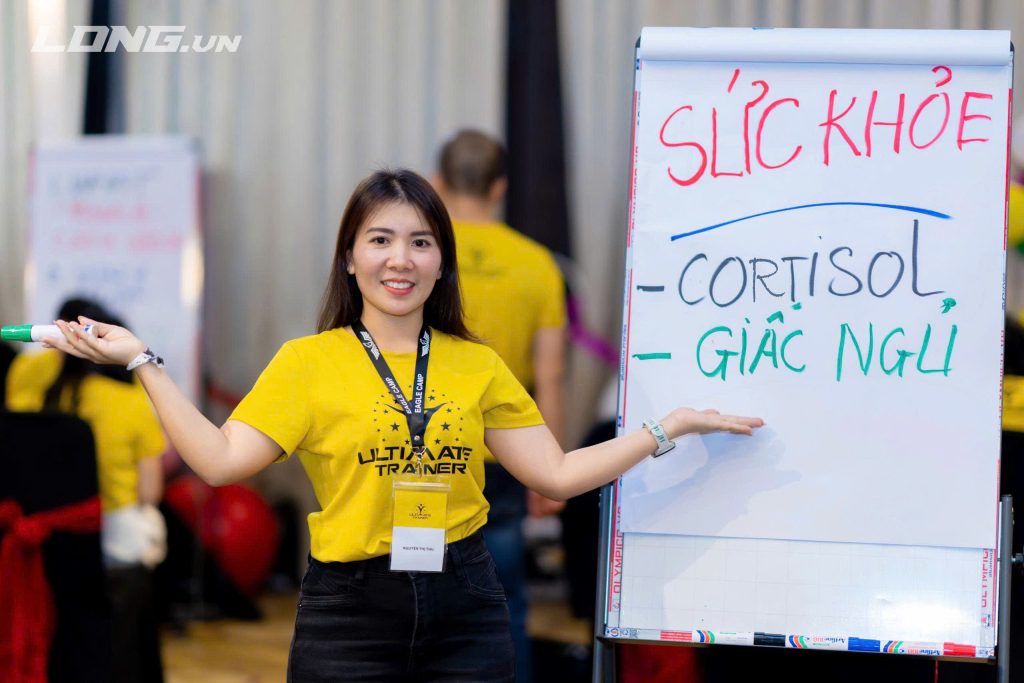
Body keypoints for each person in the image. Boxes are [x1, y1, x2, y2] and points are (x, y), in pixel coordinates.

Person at [43, 169, 763, 683]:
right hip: (348, 611)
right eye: (380, 239)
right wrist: (142, 361)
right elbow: (219, 460)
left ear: (442, 261)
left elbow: (556, 472)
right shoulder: (308, 363)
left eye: (420, 242)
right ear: (349, 257)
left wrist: (665, 428)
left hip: (466, 604)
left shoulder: (475, 364)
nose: (400, 259)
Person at [435, 129, 567, 682]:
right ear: (499, 187)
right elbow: (551, 378)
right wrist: (551, 470)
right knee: (504, 602)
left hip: (424, 452)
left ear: (437, 182)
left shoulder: (419, 256)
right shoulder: (538, 264)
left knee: (423, 602)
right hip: (506, 455)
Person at [7, 297, 167, 683]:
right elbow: (150, 491)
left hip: (38, 543)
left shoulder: (27, 380)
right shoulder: (130, 402)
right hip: (111, 544)